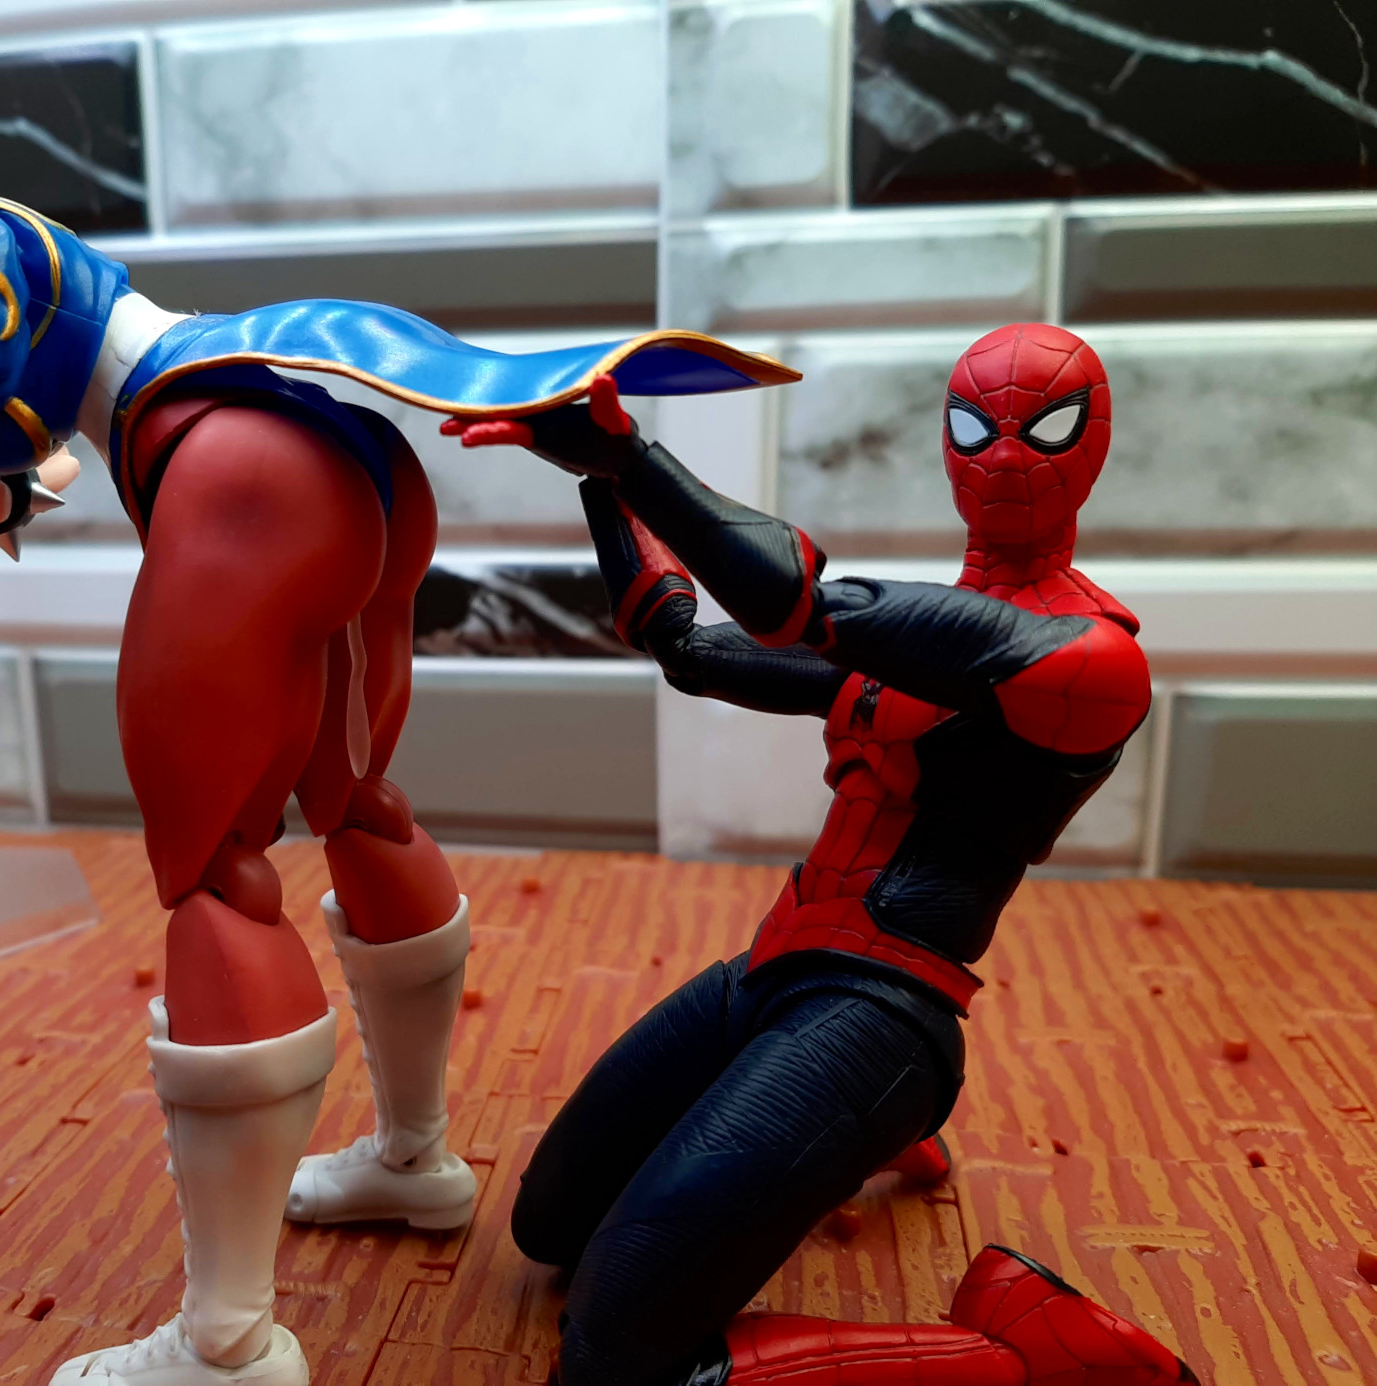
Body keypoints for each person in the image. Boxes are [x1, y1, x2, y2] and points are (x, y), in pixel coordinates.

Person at [0, 46, 801, 1386]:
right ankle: (413, 1158)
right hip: (331, 446)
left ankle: (228, 1341)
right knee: (358, 801)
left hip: (237, 472)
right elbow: (20, 438)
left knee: (214, 878)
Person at [447, 326, 1195, 1386]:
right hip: (772, 969)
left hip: (882, 1009)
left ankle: (1017, 1354)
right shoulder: (914, 644)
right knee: (547, 1228)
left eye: (1043, 428)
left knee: (613, 1358)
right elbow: (685, 647)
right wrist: (598, 481)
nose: (1001, 457)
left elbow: (792, 604)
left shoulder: (1088, 660)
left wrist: (631, 458)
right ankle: (862, 1133)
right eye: (973, 428)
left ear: (1092, 444)